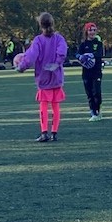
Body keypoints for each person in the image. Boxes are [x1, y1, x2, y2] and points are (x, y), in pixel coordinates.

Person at [16, 12, 67, 142]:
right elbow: (62, 52)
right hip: (56, 77)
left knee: (44, 106)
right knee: (56, 106)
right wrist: (56, 64)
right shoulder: (59, 38)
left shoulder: (38, 40)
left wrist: (22, 66)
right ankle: (54, 132)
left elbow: (31, 56)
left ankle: (44, 132)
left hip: (43, 78)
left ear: (40, 25)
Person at [76, 22, 104, 121]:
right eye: (90, 30)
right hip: (86, 73)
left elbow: (99, 54)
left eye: (94, 30)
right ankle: (93, 113)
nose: (92, 32)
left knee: (97, 92)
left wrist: (90, 55)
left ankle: (98, 109)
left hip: (96, 71)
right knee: (89, 94)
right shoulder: (83, 45)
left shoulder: (99, 43)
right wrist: (80, 57)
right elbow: (77, 54)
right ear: (86, 31)